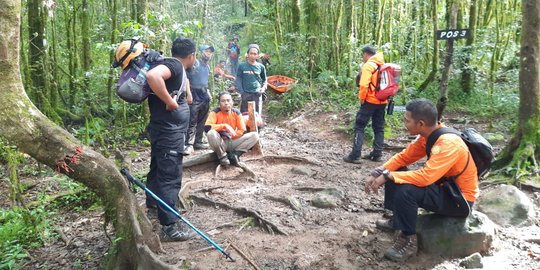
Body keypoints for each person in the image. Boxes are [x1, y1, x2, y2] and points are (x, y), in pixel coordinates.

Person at [364, 98, 478, 261]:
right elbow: (404, 157)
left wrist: (388, 176)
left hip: (459, 200)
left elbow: (426, 177)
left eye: (407, 120)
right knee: (396, 170)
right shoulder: (428, 135)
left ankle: (408, 240)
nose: (405, 123)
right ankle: (397, 221)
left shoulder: (448, 143)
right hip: (445, 189)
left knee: (405, 190)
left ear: (421, 123)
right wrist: (379, 171)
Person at [145, 37, 197, 242]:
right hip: (168, 133)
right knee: (170, 176)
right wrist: (170, 102)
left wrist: (185, 96)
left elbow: (185, 94)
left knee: (158, 168)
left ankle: (152, 207)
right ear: (191, 55)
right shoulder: (173, 64)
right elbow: (152, 76)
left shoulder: (176, 68)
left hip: (164, 131)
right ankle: (169, 227)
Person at [344, 45, 387, 163]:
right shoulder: (383, 64)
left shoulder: (369, 65)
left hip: (370, 101)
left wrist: (362, 99)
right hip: (382, 101)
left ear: (367, 54)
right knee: (379, 127)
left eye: (363, 55)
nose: (363, 57)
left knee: (359, 126)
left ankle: (355, 155)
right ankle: (377, 154)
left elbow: (364, 85)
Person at [205, 92, 260, 166]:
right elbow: (207, 127)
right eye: (223, 101)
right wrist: (224, 126)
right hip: (219, 143)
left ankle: (235, 155)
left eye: (228, 100)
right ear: (219, 103)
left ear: (232, 102)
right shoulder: (215, 112)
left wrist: (231, 135)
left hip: (232, 141)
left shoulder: (236, 113)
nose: (226, 103)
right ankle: (222, 157)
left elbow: (242, 130)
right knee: (211, 133)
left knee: (254, 136)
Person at [184, 44, 215, 155]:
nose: (208, 54)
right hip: (194, 94)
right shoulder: (194, 64)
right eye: (206, 51)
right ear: (201, 52)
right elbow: (186, 78)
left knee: (202, 120)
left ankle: (198, 141)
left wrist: (208, 92)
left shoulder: (207, 66)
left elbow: (205, 82)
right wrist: (188, 93)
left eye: (210, 52)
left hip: (204, 95)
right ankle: (189, 144)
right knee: (192, 121)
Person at [235, 44, 267, 114]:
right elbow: (238, 79)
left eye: (255, 54)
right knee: (244, 115)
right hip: (245, 93)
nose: (253, 55)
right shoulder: (242, 66)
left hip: (257, 94)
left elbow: (264, 80)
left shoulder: (261, 67)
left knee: (257, 115)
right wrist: (242, 91)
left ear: (258, 55)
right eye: (251, 53)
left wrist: (263, 88)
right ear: (247, 54)